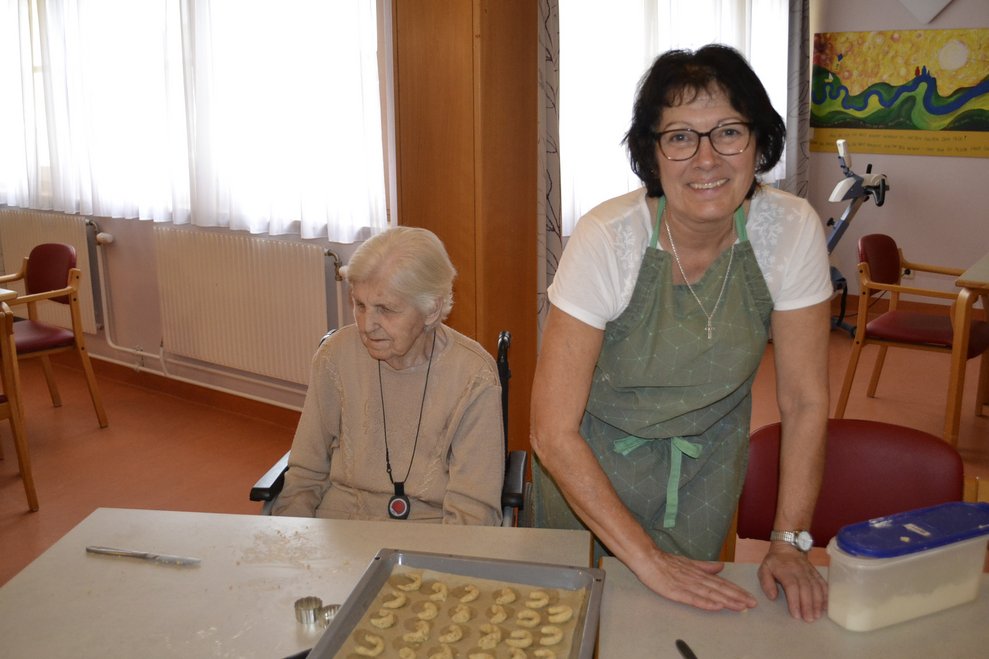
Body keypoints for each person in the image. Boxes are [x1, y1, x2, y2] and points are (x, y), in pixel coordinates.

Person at [530, 44, 831, 621]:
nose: (706, 159)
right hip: (587, 474)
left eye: (728, 133)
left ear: (759, 142)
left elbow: (805, 400)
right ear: (653, 152)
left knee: (679, 631)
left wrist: (790, 541)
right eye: (680, 137)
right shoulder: (608, 238)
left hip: (702, 476)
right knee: (573, 627)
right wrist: (646, 559)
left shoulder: (790, 231)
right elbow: (551, 430)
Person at [273, 226, 505, 525]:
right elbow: (305, 474)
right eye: (360, 305)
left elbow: (472, 512)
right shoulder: (335, 357)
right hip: (338, 527)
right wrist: (291, 539)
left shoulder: (473, 376)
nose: (367, 325)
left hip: (429, 537)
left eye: (386, 309)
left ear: (432, 309)